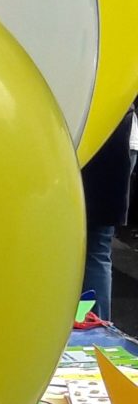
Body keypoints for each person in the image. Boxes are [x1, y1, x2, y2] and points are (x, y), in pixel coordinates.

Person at [80, 106, 135, 323]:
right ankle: (95, 326)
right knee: (98, 248)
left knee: (82, 246)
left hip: (83, 140)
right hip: (118, 139)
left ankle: (76, 323)